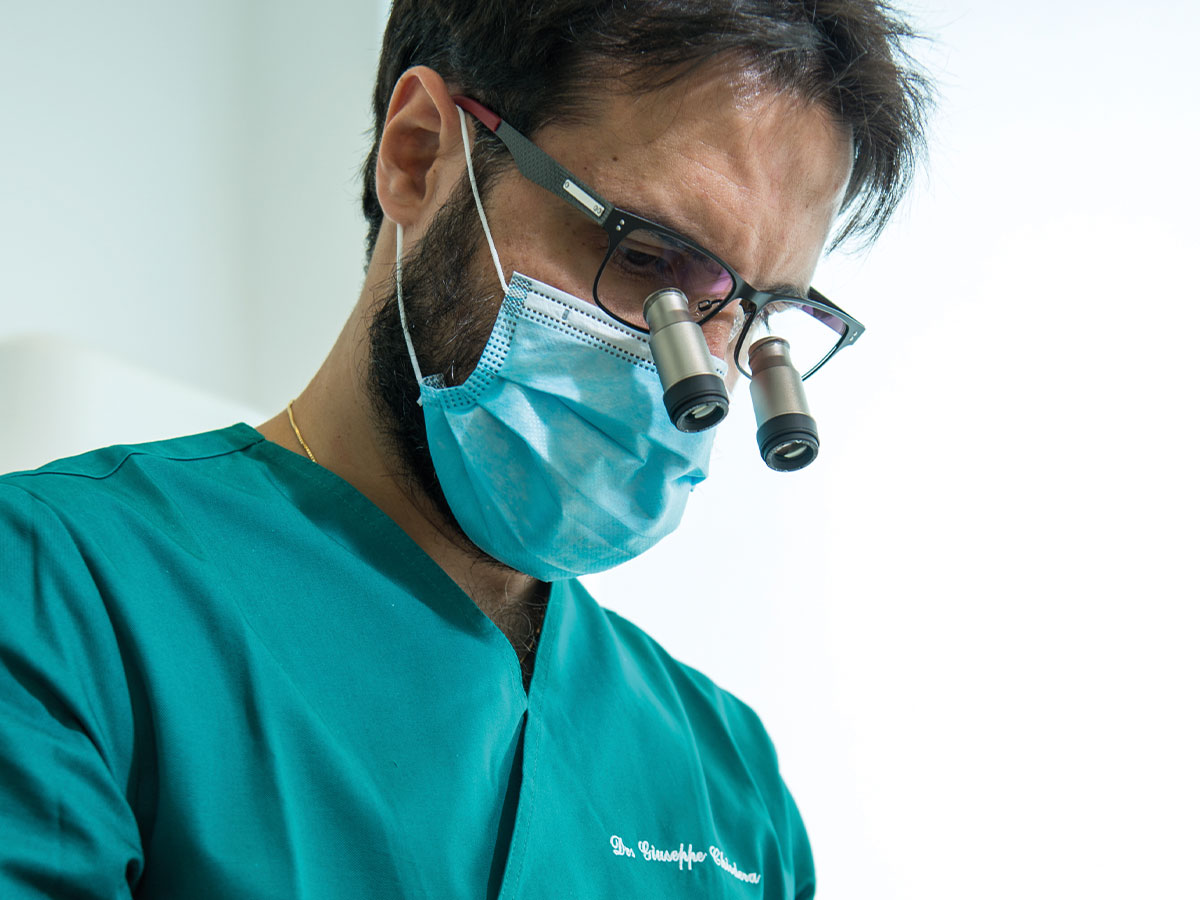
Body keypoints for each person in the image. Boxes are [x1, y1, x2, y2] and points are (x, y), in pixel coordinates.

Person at [0, 1, 928, 896]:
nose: (699, 381)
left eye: (752, 316)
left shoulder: (730, 788)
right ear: (418, 156)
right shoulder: (60, 596)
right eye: (648, 258)